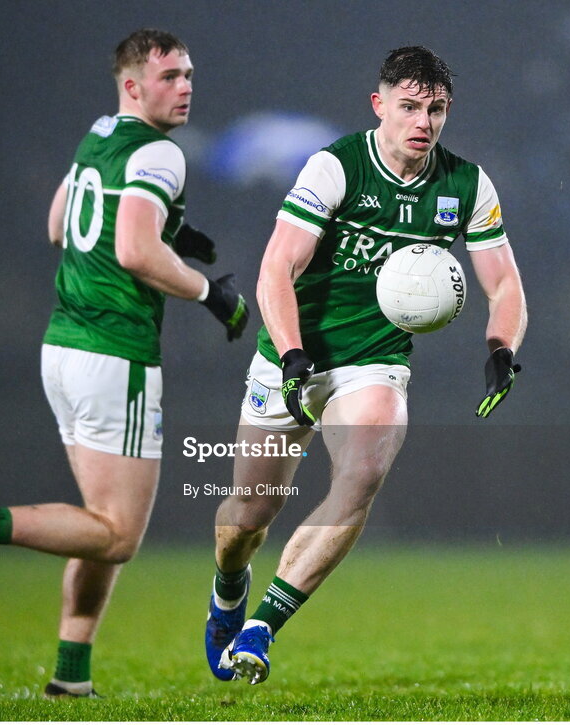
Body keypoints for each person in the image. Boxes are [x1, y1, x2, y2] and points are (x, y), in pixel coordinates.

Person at [0, 28, 248, 699]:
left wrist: (169, 227)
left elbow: (59, 223)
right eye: (169, 76)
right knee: (116, 536)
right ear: (132, 86)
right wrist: (213, 293)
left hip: (61, 347)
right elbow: (136, 251)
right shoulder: (159, 153)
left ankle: (71, 677)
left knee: (97, 523)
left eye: (188, 74)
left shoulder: (98, 135)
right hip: (115, 354)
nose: (185, 87)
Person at [204, 46, 528, 685]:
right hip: (290, 354)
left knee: (366, 466)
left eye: (435, 110)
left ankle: (264, 625)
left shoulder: (466, 184)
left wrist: (501, 347)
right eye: (409, 107)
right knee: (246, 518)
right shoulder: (336, 166)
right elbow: (277, 268)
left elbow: (506, 284)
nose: (423, 123)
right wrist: (294, 356)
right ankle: (228, 591)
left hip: (373, 363)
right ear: (379, 105)